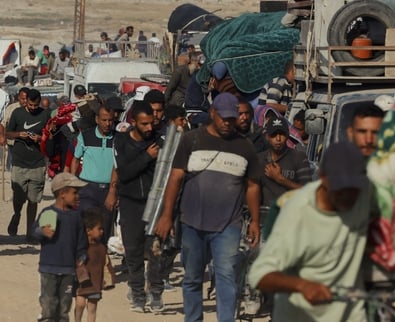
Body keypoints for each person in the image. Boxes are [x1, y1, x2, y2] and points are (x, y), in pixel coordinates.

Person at [154, 92, 262, 322]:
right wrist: (165, 215)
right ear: (212, 113)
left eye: (232, 118)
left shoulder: (245, 147)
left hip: (228, 226)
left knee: (226, 278)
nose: (228, 122)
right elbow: (174, 179)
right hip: (192, 223)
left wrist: (254, 221)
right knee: (192, 279)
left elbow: (252, 186)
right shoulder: (191, 140)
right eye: (224, 117)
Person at [249, 141, 372, 322]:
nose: (349, 196)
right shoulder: (298, 212)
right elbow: (259, 275)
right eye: (341, 189)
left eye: (354, 189)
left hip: (350, 314)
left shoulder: (365, 196)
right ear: (322, 177)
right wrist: (302, 286)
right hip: (301, 315)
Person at [113, 102, 166, 313]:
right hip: (130, 204)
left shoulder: (158, 141)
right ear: (134, 122)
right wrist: (147, 157)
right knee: (133, 253)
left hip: (154, 205)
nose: (149, 128)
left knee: (156, 251)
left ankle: (156, 293)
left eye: (151, 123)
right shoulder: (121, 142)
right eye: (144, 124)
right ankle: (137, 294)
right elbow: (124, 173)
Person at [32, 173, 88, 322]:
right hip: (48, 268)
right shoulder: (48, 213)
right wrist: (42, 232)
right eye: (74, 192)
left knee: (64, 309)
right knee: (48, 306)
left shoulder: (76, 217)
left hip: (68, 270)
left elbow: (81, 242)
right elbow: (35, 233)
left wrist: (81, 259)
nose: (78, 196)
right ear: (62, 194)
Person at [6, 89, 51, 240]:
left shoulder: (45, 114)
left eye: (35, 105)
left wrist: (40, 138)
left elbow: (50, 136)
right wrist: (19, 134)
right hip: (19, 162)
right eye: (30, 105)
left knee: (33, 200)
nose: (32, 108)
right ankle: (17, 214)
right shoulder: (17, 113)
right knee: (18, 197)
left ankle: (30, 232)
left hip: (37, 163)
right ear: (26, 102)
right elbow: (7, 133)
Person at [66, 105, 115, 242]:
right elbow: (75, 160)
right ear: (97, 119)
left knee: (104, 229)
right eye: (104, 120)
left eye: (110, 120)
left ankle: (100, 257)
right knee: (88, 226)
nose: (107, 124)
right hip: (88, 189)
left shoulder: (118, 138)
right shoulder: (85, 136)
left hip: (109, 190)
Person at [257, 116, 313, 207]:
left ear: (287, 135)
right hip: (265, 216)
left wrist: (280, 179)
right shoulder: (259, 159)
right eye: (274, 134)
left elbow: (309, 192)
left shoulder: (299, 158)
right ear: (267, 137)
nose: (278, 139)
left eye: (282, 134)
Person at [74, 208, 107, 322]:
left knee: (92, 308)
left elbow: (106, 265)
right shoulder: (80, 248)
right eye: (99, 229)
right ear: (88, 231)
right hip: (82, 283)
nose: (102, 231)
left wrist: (107, 279)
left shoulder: (102, 248)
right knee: (80, 304)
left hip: (95, 284)